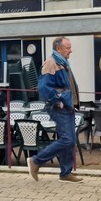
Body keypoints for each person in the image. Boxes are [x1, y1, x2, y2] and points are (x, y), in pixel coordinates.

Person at [27, 37, 82, 182]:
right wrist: (58, 101)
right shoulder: (51, 63)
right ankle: (36, 161)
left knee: (70, 141)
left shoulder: (63, 63)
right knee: (67, 139)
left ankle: (65, 173)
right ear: (58, 49)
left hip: (68, 106)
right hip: (59, 107)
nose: (71, 51)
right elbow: (43, 88)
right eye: (68, 48)